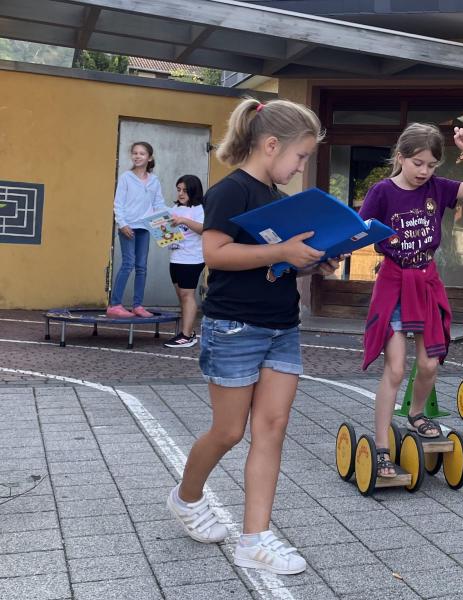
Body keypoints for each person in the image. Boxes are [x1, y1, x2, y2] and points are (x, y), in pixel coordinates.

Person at [166, 98, 336, 575]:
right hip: (234, 326)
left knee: (272, 429)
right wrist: (280, 249)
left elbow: (281, 260)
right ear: (271, 144)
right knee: (228, 431)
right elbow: (216, 254)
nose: (301, 166)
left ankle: (255, 540)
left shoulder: (283, 203)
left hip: (283, 326)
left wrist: (315, 258)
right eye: (300, 157)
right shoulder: (230, 192)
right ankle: (186, 498)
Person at [360, 122, 463, 478]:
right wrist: (333, 252)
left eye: (431, 165)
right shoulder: (382, 192)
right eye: (418, 163)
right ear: (401, 157)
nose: (424, 171)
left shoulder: (437, 187)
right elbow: (358, 230)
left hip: (426, 282)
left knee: (430, 364)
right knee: (397, 367)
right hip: (394, 283)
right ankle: (382, 446)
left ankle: (416, 413)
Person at [108, 141, 166, 318]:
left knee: (142, 267)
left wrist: (168, 225)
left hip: (145, 227)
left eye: (142, 153)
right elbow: (118, 204)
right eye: (135, 153)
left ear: (150, 157)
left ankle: (138, 305)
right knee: (128, 263)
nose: (137, 156)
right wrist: (122, 224)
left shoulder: (154, 180)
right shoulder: (126, 177)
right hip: (128, 227)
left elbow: (159, 204)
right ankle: (115, 305)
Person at [164, 174, 205, 348]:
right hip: (176, 257)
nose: (181, 193)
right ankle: (188, 332)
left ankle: (186, 336)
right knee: (182, 296)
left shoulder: (199, 209)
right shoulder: (175, 207)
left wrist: (184, 221)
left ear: (193, 191)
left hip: (192, 258)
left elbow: (204, 229)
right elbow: (168, 231)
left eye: (185, 190)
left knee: (188, 295)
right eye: (179, 189)